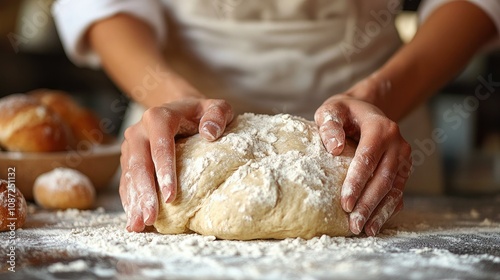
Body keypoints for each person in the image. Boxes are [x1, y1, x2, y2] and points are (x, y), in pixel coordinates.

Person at [52, 0, 499, 236]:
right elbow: (102, 5)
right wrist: (174, 99)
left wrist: (381, 95)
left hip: (371, 138)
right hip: (179, 139)